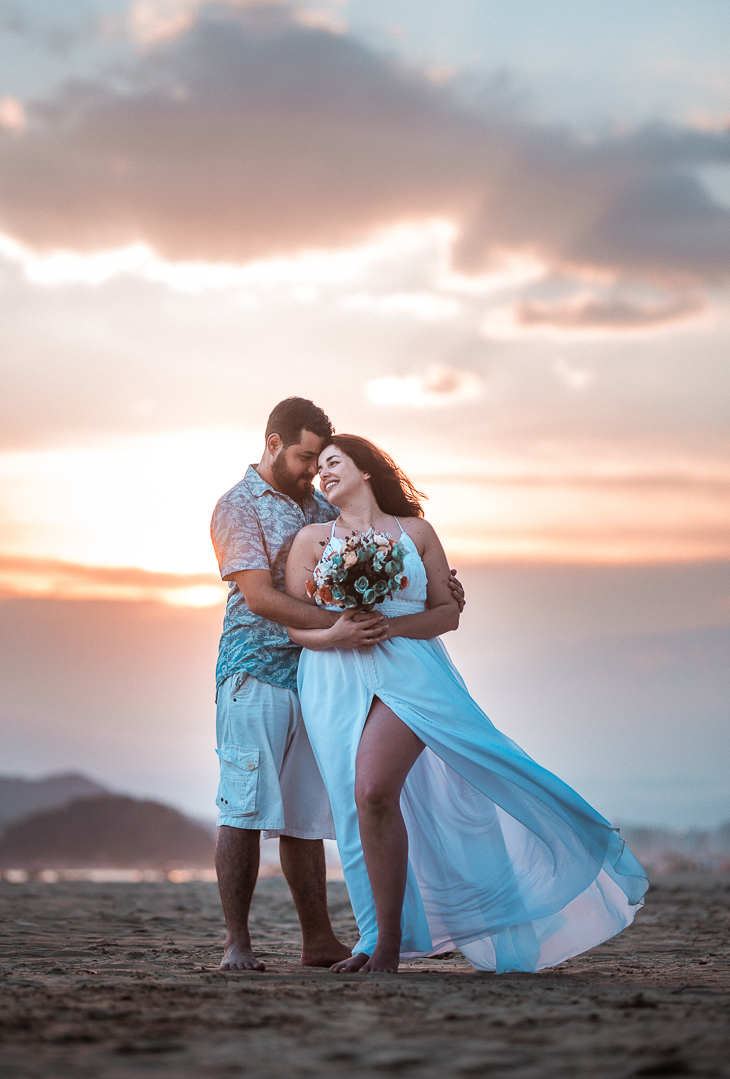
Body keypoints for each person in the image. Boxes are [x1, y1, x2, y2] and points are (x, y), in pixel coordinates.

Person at [285, 435, 649, 974]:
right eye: (318, 470)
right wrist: (337, 633)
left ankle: (388, 946)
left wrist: (391, 627)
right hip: (332, 679)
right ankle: (376, 937)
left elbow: (444, 613)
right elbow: (295, 627)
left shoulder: (416, 533)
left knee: (374, 790)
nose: (323, 475)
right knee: (351, 802)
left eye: (334, 463)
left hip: (410, 674)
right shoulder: (311, 539)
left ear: (366, 469)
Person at [210, 398, 465, 971]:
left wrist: (428, 594)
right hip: (257, 667)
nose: (312, 469)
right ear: (273, 443)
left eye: (320, 460)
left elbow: (379, 559)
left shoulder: (317, 503)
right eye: (304, 456)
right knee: (244, 805)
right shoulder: (237, 506)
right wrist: (348, 626)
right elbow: (260, 597)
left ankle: (318, 940)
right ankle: (237, 943)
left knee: (307, 813)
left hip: (324, 676)